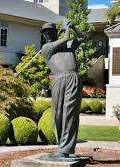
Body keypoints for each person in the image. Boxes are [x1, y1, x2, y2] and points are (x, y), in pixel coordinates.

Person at [41, 22, 84, 159]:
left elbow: (82, 37)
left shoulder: (69, 46)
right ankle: (61, 143)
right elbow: (65, 39)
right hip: (58, 80)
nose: (47, 34)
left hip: (73, 78)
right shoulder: (46, 48)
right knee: (57, 114)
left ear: (55, 32)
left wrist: (74, 27)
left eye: (50, 32)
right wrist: (66, 30)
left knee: (69, 113)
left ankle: (66, 148)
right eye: (45, 33)